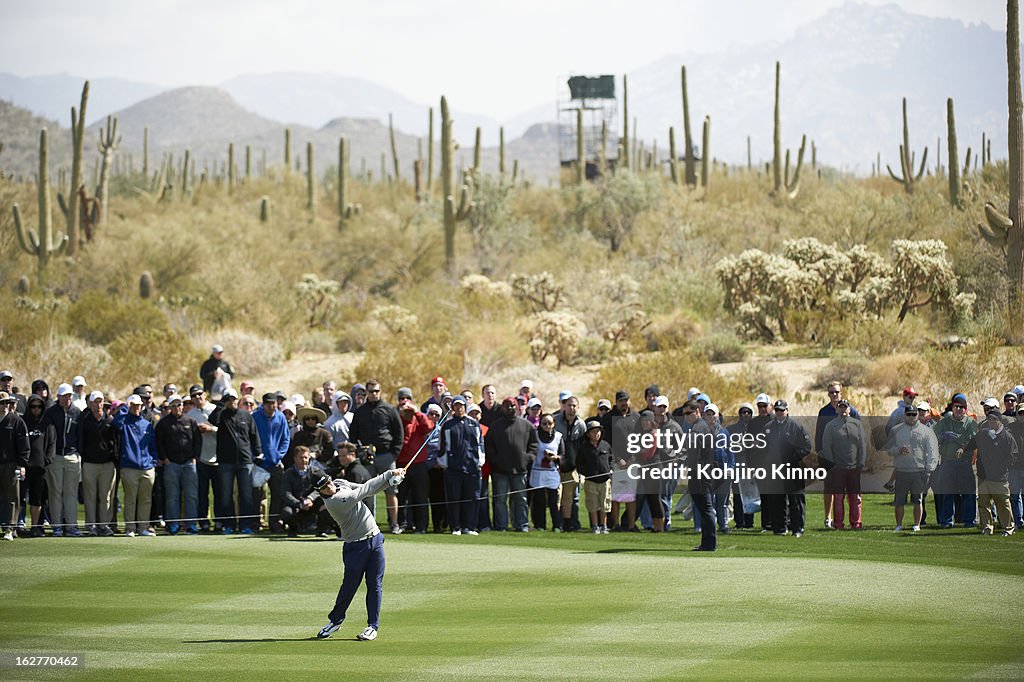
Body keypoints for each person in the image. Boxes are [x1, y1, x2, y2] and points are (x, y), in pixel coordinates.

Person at [314, 467, 405, 642]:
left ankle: (373, 626)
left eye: (329, 482)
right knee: (349, 586)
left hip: (375, 539)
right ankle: (335, 620)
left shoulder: (340, 484)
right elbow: (363, 492)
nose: (330, 487)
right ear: (320, 492)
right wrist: (388, 474)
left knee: (375, 584)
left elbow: (367, 487)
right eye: (325, 487)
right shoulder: (335, 502)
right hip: (356, 547)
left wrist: (391, 482)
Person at [348, 379, 403, 534]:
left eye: (376, 391)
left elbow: (399, 434)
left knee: (391, 491)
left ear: (380, 392)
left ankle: (394, 524)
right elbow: (353, 435)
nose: (374, 394)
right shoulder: (360, 411)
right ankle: (369, 525)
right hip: (367, 458)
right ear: (367, 393)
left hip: (386, 456)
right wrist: (360, 451)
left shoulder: (389, 409)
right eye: (371, 391)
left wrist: (394, 454)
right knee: (367, 492)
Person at [210, 388, 262, 534]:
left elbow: (254, 435)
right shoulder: (221, 415)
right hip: (226, 461)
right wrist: (221, 405)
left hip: (245, 460)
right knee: (226, 495)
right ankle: (229, 525)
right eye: (228, 399)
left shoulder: (245, 415)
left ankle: (245, 525)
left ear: (237, 400)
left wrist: (258, 453)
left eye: (233, 399)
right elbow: (212, 420)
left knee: (246, 495)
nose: (231, 402)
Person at [484, 397, 538, 532]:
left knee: (520, 499)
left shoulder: (526, 425)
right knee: (500, 500)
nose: (511, 408)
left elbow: (534, 445)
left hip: (520, 470)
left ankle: (522, 525)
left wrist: (528, 458)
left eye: (513, 405)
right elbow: (489, 448)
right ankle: (501, 525)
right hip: (500, 471)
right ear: (502, 408)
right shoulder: (495, 426)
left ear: (518, 407)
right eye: (507, 406)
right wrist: (496, 461)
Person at [884, 405, 939, 532]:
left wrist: (929, 469)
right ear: (905, 415)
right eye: (908, 414)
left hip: (919, 472)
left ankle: (917, 525)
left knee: (917, 500)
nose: (911, 417)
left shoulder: (926, 431)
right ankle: (899, 525)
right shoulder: (896, 430)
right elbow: (888, 450)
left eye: (914, 414)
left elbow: (932, 451)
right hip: (902, 471)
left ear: (917, 415)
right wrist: (898, 450)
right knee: (899, 501)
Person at [962, 411, 1018, 536]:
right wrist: (962, 449)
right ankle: (987, 527)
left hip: (999, 478)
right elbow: (971, 444)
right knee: (983, 504)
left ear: (999, 421)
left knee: (1003, 504)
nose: (991, 422)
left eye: (994, 419)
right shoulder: (983, 434)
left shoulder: (1007, 437)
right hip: (984, 476)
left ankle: (1008, 528)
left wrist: (1001, 467)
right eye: (989, 419)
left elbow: (1012, 456)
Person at [814, 381, 862, 529]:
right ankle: (828, 518)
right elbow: (819, 436)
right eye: (831, 392)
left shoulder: (852, 411)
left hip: (850, 460)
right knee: (830, 489)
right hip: (830, 459)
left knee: (852, 493)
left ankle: (854, 521)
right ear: (828, 394)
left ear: (841, 393)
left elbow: (859, 436)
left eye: (836, 392)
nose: (834, 395)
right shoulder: (824, 412)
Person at [762, 399, 812, 537]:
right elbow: (762, 447)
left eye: (782, 410)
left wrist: (794, 457)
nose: (779, 413)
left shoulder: (796, 427)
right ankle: (779, 528)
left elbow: (807, 446)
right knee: (776, 500)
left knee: (796, 500)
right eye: (777, 410)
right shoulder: (768, 427)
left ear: (787, 411)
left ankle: (798, 529)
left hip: (793, 468)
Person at [155, 394, 202, 535]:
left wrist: (195, 457)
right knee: (172, 496)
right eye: (174, 405)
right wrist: (165, 458)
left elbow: (197, 441)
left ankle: (191, 525)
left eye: (179, 404)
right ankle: (173, 525)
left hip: (188, 463)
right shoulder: (163, 423)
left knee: (191, 495)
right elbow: (159, 443)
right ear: (170, 407)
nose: (177, 408)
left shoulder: (190, 421)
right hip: (171, 464)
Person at [113, 394, 158, 537]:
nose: (137, 408)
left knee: (146, 500)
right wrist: (125, 407)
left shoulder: (147, 424)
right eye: (133, 405)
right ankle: (130, 528)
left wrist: (153, 461)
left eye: (138, 405)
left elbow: (152, 446)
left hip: (147, 467)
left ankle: (143, 527)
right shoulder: (124, 422)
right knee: (130, 499)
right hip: (129, 467)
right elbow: (116, 422)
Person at [932, 393, 979, 528]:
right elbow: (933, 437)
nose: (958, 409)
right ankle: (947, 521)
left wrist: (957, 438)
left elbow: (973, 441)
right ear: (952, 407)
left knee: (968, 493)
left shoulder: (970, 423)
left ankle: (969, 520)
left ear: (965, 409)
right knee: (947, 493)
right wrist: (943, 436)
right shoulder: (944, 422)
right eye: (956, 406)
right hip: (947, 462)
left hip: (964, 463)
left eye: (961, 407)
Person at [821, 399, 867, 529]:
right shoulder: (831, 425)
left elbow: (862, 444)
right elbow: (826, 446)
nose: (842, 409)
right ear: (836, 409)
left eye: (845, 407)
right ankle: (838, 523)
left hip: (854, 467)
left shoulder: (857, 424)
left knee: (856, 497)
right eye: (840, 407)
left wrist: (861, 462)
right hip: (838, 468)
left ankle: (856, 523)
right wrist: (832, 465)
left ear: (849, 409)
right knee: (838, 497)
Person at [440, 396, 484, 535]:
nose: (459, 408)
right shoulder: (447, 425)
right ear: (452, 408)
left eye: (461, 406)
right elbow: (443, 446)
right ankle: (456, 527)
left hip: (472, 467)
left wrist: (480, 461)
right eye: (456, 406)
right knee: (454, 498)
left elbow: (480, 445)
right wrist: (444, 463)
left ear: (465, 407)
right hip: (453, 468)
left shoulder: (474, 424)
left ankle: (469, 527)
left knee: (472, 498)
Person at [43, 383, 83, 536]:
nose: (67, 398)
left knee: (71, 493)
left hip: (72, 456)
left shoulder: (77, 412)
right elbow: (48, 436)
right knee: (55, 492)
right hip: (56, 457)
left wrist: (78, 453)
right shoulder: (51, 412)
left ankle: (71, 526)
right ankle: (57, 526)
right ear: (58, 397)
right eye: (64, 396)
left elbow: (80, 435)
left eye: (69, 396)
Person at [78, 390, 116, 536]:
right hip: (89, 463)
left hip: (107, 463)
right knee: (90, 496)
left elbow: (115, 441)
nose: (99, 404)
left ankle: (104, 525)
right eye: (96, 401)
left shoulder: (110, 420)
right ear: (91, 404)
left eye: (101, 401)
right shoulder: (84, 419)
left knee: (105, 497)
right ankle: (91, 525)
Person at [252, 393, 291, 532]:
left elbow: (286, 439)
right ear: (263, 404)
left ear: (277, 404)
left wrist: (279, 455)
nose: (271, 406)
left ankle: (274, 522)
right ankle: (256, 523)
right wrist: (255, 455)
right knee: (256, 495)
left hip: (275, 463)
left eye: (273, 403)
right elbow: (250, 437)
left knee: (277, 494)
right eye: (268, 403)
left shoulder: (280, 417)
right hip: (259, 463)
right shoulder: (255, 417)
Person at [396, 390, 433, 534]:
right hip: (401, 465)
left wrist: (416, 412)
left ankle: (421, 526)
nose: (405, 401)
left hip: (418, 465)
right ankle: (401, 524)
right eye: (402, 399)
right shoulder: (397, 418)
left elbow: (429, 427)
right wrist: (401, 413)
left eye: (408, 399)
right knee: (401, 497)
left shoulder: (418, 419)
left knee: (421, 497)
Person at [185, 386, 219, 532]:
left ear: (205, 395)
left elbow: (225, 430)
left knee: (219, 493)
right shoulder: (190, 415)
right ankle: (203, 521)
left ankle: (219, 521)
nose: (198, 397)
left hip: (217, 457)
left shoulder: (216, 410)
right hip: (200, 458)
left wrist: (211, 429)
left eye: (200, 394)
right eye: (194, 395)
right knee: (202, 493)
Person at [280, 446, 332, 537]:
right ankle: (294, 529)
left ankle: (321, 530)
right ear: (295, 458)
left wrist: (310, 498)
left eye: (306, 457)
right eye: (301, 457)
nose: (304, 460)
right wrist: (299, 504)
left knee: (328, 505)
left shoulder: (315, 471)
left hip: (312, 503)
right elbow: (286, 493)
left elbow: (323, 487)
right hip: (296, 504)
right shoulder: (288, 474)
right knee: (286, 512)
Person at [21, 394, 53, 537]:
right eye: (33, 406)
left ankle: (35, 526)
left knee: (37, 498)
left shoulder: (47, 422)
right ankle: (17, 526)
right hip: (25, 466)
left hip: (40, 467)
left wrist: (47, 459)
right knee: (20, 497)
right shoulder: (22, 421)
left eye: (39, 406)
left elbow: (52, 442)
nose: (36, 409)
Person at [0, 392, 29, 541]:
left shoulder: (16, 421)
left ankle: (9, 529)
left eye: (7, 403)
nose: (5, 406)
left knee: (12, 497)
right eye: (2, 403)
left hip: (11, 464)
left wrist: (22, 464)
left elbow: (24, 445)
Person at [576, 420, 613, 533]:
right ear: (588, 434)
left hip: (605, 480)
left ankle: (603, 526)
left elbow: (611, 459)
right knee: (592, 504)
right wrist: (583, 473)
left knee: (604, 504)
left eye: (598, 431)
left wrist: (611, 469)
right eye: (594, 432)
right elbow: (579, 463)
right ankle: (595, 525)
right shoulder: (584, 447)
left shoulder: (605, 445)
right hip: (591, 480)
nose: (597, 434)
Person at [530, 413, 563, 531]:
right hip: (537, 471)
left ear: (554, 424)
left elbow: (563, 455)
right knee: (539, 501)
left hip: (552, 471)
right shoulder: (535, 435)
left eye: (550, 423)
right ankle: (540, 525)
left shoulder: (558, 436)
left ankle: (556, 525)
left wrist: (555, 457)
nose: (547, 426)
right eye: (544, 423)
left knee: (553, 500)